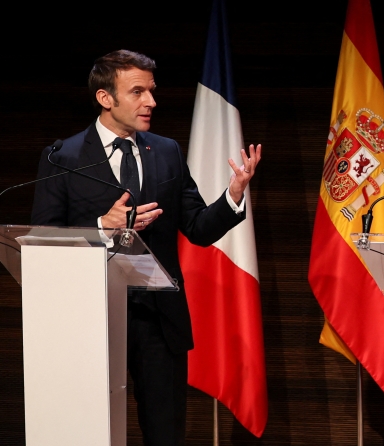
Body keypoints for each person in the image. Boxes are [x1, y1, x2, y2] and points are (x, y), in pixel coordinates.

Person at [31, 50, 262, 446]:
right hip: (90, 319)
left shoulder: (166, 151)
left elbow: (198, 228)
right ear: (106, 98)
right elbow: (45, 239)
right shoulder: (63, 157)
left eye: (151, 91)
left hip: (159, 321)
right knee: (89, 432)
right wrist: (104, 226)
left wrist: (233, 196)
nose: (151, 102)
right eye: (137, 92)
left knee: (165, 433)